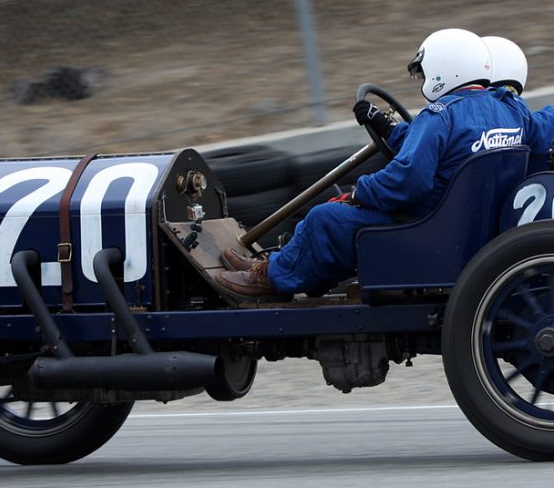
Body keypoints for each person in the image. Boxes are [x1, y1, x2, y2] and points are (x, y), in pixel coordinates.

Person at [215, 28, 537, 300]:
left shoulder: (439, 116)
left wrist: (361, 192)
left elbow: (407, 181)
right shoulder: (511, 110)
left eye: (425, 73)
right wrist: (388, 129)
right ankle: (279, 265)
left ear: (444, 70)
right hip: (466, 222)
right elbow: (547, 128)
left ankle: (272, 278)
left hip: (426, 224)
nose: (424, 79)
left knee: (324, 218)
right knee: (338, 216)